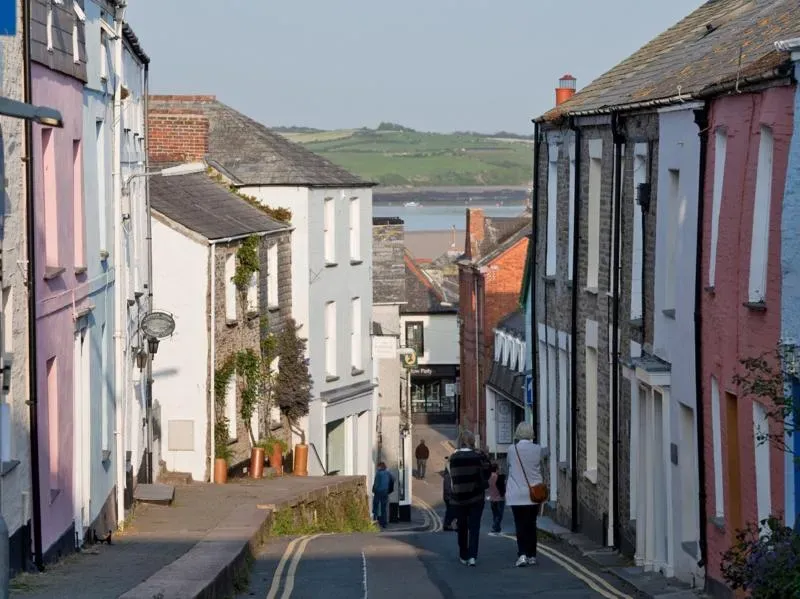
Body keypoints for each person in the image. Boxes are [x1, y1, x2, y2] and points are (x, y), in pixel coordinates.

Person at [506, 422, 547, 567]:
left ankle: (522, 554)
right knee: (531, 524)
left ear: (517, 433)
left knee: (520, 525)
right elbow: (542, 466)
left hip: (516, 494)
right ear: (531, 434)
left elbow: (508, 467)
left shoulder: (512, 450)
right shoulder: (538, 449)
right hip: (534, 493)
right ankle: (532, 555)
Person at [448, 429, 490, 566]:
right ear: (473, 441)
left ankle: (463, 554)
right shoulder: (479, 456)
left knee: (462, 526)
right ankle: (472, 556)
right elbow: (487, 473)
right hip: (476, 498)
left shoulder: (453, 458)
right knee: (474, 527)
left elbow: (450, 477)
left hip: (459, 499)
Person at [372, 462, 393, 529]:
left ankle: (375, 521)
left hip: (378, 492)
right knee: (383, 508)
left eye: (377, 466)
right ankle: (384, 523)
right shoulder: (387, 473)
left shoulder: (378, 474)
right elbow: (393, 479)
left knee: (376, 506)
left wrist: (373, 490)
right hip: (385, 492)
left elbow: (376, 484)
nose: (377, 468)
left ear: (380, 467)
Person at [488, 463, 506, 534]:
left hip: (492, 498)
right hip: (499, 498)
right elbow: (502, 485)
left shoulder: (489, 477)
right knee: (499, 514)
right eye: (498, 468)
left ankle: (497, 528)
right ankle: (495, 527)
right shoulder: (498, 476)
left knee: (495, 514)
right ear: (496, 469)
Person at [442, 456, 457, 531]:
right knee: (451, 511)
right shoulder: (448, 475)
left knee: (449, 511)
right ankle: (447, 525)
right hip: (449, 496)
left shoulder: (447, 473)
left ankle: (447, 525)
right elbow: (447, 487)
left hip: (448, 496)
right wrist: (451, 494)